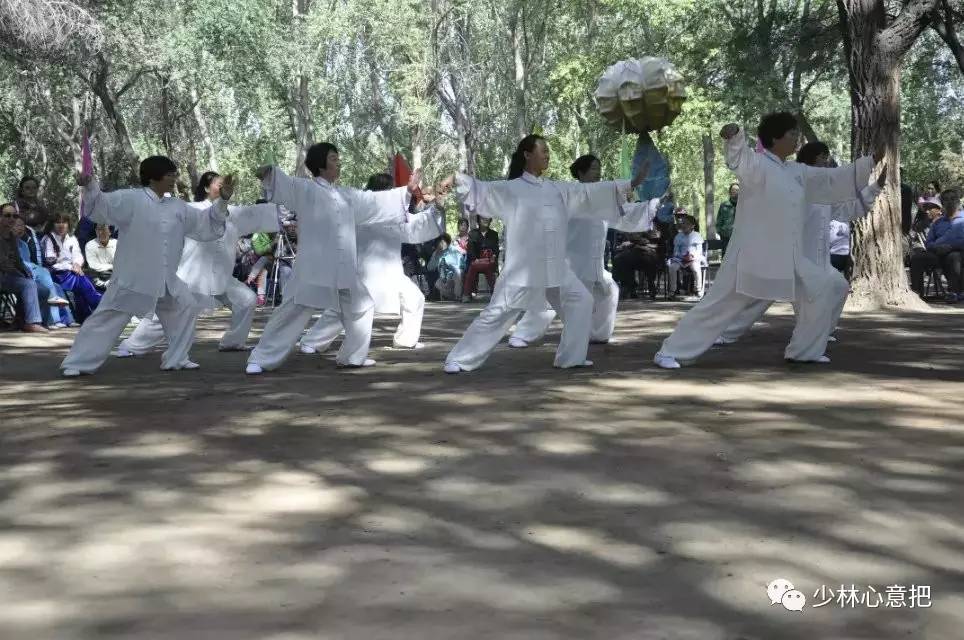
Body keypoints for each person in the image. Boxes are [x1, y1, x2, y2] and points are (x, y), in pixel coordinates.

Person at [653, 112, 880, 369]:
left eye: (797, 133)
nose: (797, 139)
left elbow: (830, 179)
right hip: (751, 255)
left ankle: (805, 350)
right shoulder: (759, 165)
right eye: (792, 133)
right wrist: (734, 135)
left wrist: (870, 162)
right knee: (719, 305)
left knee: (823, 288)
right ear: (775, 137)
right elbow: (740, 158)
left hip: (788, 256)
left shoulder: (796, 171)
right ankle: (670, 351)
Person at [441, 134, 647, 373]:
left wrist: (629, 184)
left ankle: (571, 357)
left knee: (581, 300)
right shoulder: (512, 189)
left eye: (548, 151)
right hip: (524, 268)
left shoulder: (557, 189)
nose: (548, 155)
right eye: (543, 150)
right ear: (527, 155)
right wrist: (455, 177)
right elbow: (482, 189)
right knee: (497, 313)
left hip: (557, 266)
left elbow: (588, 193)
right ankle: (458, 359)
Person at [245, 142, 420, 375]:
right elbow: (282, 184)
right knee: (292, 311)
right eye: (334, 158)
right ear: (321, 164)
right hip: (314, 266)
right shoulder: (305, 189)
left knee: (363, 305)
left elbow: (373, 202)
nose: (339, 162)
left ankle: (352, 357)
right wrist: (269, 173)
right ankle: (261, 358)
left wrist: (406, 191)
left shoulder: (346, 194)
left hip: (344, 266)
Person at [59, 156, 232, 377]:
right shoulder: (131, 199)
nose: (173, 178)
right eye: (169, 174)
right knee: (107, 319)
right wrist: (90, 184)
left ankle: (177, 358)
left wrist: (223, 201)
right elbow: (100, 207)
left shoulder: (178, 206)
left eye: (174, 174)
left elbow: (207, 225)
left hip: (166, 279)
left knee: (186, 306)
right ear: (153, 176)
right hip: (133, 277)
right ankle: (78, 362)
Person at [714, 140, 886, 348]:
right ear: (813, 158)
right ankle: (726, 333)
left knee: (838, 286)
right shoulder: (794, 183)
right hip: (787, 256)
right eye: (824, 156)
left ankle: (820, 332)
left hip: (814, 262)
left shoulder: (824, 189)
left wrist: (875, 187)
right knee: (759, 297)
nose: (828, 160)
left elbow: (848, 210)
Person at [115, 171, 281, 357]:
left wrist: (283, 200)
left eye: (226, 184)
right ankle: (131, 346)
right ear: (206, 188)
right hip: (192, 276)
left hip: (222, 278)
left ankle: (233, 342)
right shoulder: (190, 209)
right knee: (168, 315)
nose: (224, 186)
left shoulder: (233, 213)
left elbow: (257, 214)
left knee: (246, 300)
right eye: (220, 184)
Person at [508, 153, 660, 347]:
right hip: (569, 259)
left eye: (599, 168)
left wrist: (650, 205)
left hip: (593, 262)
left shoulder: (604, 198)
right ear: (581, 172)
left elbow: (624, 215)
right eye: (594, 168)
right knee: (551, 300)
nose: (598, 173)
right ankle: (522, 334)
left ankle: (597, 333)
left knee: (609, 291)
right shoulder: (569, 193)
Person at [298, 172, 444, 355]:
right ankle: (312, 341)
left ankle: (405, 340)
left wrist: (436, 206)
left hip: (389, 272)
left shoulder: (388, 212)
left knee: (414, 299)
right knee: (343, 308)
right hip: (363, 272)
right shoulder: (364, 210)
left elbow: (417, 225)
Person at [9, 214, 74, 328]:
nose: (20, 228)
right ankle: (53, 320)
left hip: (29, 275)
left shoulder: (24, 245)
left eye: (22, 226)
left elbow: (27, 264)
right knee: (44, 273)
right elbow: (20, 264)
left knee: (55, 287)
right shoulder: (6, 243)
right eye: (17, 225)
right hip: (16, 276)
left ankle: (67, 319)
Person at [42, 213, 102, 322]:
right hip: (56, 274)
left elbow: (77, 255)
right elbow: (50, 260)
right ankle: (99, 304)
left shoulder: (72, 238)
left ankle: (84, 316)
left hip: (71, 273)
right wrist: (70, 265)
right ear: (52, 224)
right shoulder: (48, 239)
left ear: (68, 224)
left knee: (82, 282)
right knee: (82, 281)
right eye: (58, 222)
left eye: (64, 222)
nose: (61, 225)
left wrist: (77, 264)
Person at [0, 205, 48, 333]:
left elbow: (17, 261)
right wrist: (20, 274)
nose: (12, 219)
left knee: (43, 289)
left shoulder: (13, 237)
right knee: (27, 284)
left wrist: (25, 272)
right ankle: (31, 322)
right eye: (7, 215)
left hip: (9, 276)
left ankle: (21, 320)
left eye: (14, 216)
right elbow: (4, 264)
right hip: (3, 275)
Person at [909, 189, 964, 299]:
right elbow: (928, 243)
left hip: (959, 253)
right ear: (942, 203)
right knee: (917, 258)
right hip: (938, 253)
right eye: (946, 199)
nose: (950, 202)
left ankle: (954, 292)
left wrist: (952, 247)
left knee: (954, 256)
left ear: (958, 201)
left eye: (953, 199)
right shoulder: (938, 223)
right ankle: (916, 293)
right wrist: (937, 247)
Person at [611, 229, 663, 300]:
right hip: (634, 251)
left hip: (649, 252)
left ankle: (651, 287)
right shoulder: (632, 226)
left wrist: (643, 242)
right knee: (620, 260)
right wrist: (630, 243)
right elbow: (628, 239)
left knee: (650, 261)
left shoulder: (650, 225)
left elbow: (656, 240)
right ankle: (629, 287)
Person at [461, 215, 499, 302]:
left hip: (490, 260)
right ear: (478, 220)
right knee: (474, 266)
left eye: (487, 218)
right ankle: (496, 293)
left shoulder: (494, 234)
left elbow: (496, 250)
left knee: (479, 267)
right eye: (483, 218)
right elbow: (470, 249)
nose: (485, 220)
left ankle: (466, 294)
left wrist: (493, 257)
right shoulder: (473, 233)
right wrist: (476, 259)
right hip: (477, 260)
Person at [667, 214, 705, 300]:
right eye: (683, 223)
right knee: (672, 267)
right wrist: (681, 256)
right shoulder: (678, 236)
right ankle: (672, 291)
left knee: (696, 268)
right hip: (680, 258)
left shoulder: (697, 236)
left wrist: (692, 256)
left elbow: (699, 251)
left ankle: (698, 290)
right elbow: (676, 251)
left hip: (693, 258)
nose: (684, 225)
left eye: (687, 223)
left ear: (692, 226)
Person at [426, 233, 464, 301]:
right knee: (437, 283)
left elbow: (461, 264)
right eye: (439, 242)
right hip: (443, 277)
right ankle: (450, 297)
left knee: (458, 273)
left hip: (454, 276)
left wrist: (450, 265)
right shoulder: (436, 253)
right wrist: (436, 257)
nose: (441, 244)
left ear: (447, 242)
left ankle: (458, 296)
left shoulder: (454, 250)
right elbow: (429, 268)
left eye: (443, 242)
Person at [85, 224, 116, 290]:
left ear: (110, 232)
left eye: (103, 229)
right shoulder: (90, 245)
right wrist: (112, 266)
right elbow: (93, 265)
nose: (100, 232)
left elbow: (121, 264)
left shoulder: (117, 244)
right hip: (97, 279)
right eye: (98, 229)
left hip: (115, 279)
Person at [716, 183, 738, 255]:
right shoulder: (724, 205)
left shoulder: (745, 205)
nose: (734, 191)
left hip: (740, 237)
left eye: (737, 190)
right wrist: (721, 231)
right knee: (726, 258)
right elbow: (719, 221)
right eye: (733, 190)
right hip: (726, 237)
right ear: (729, 191)